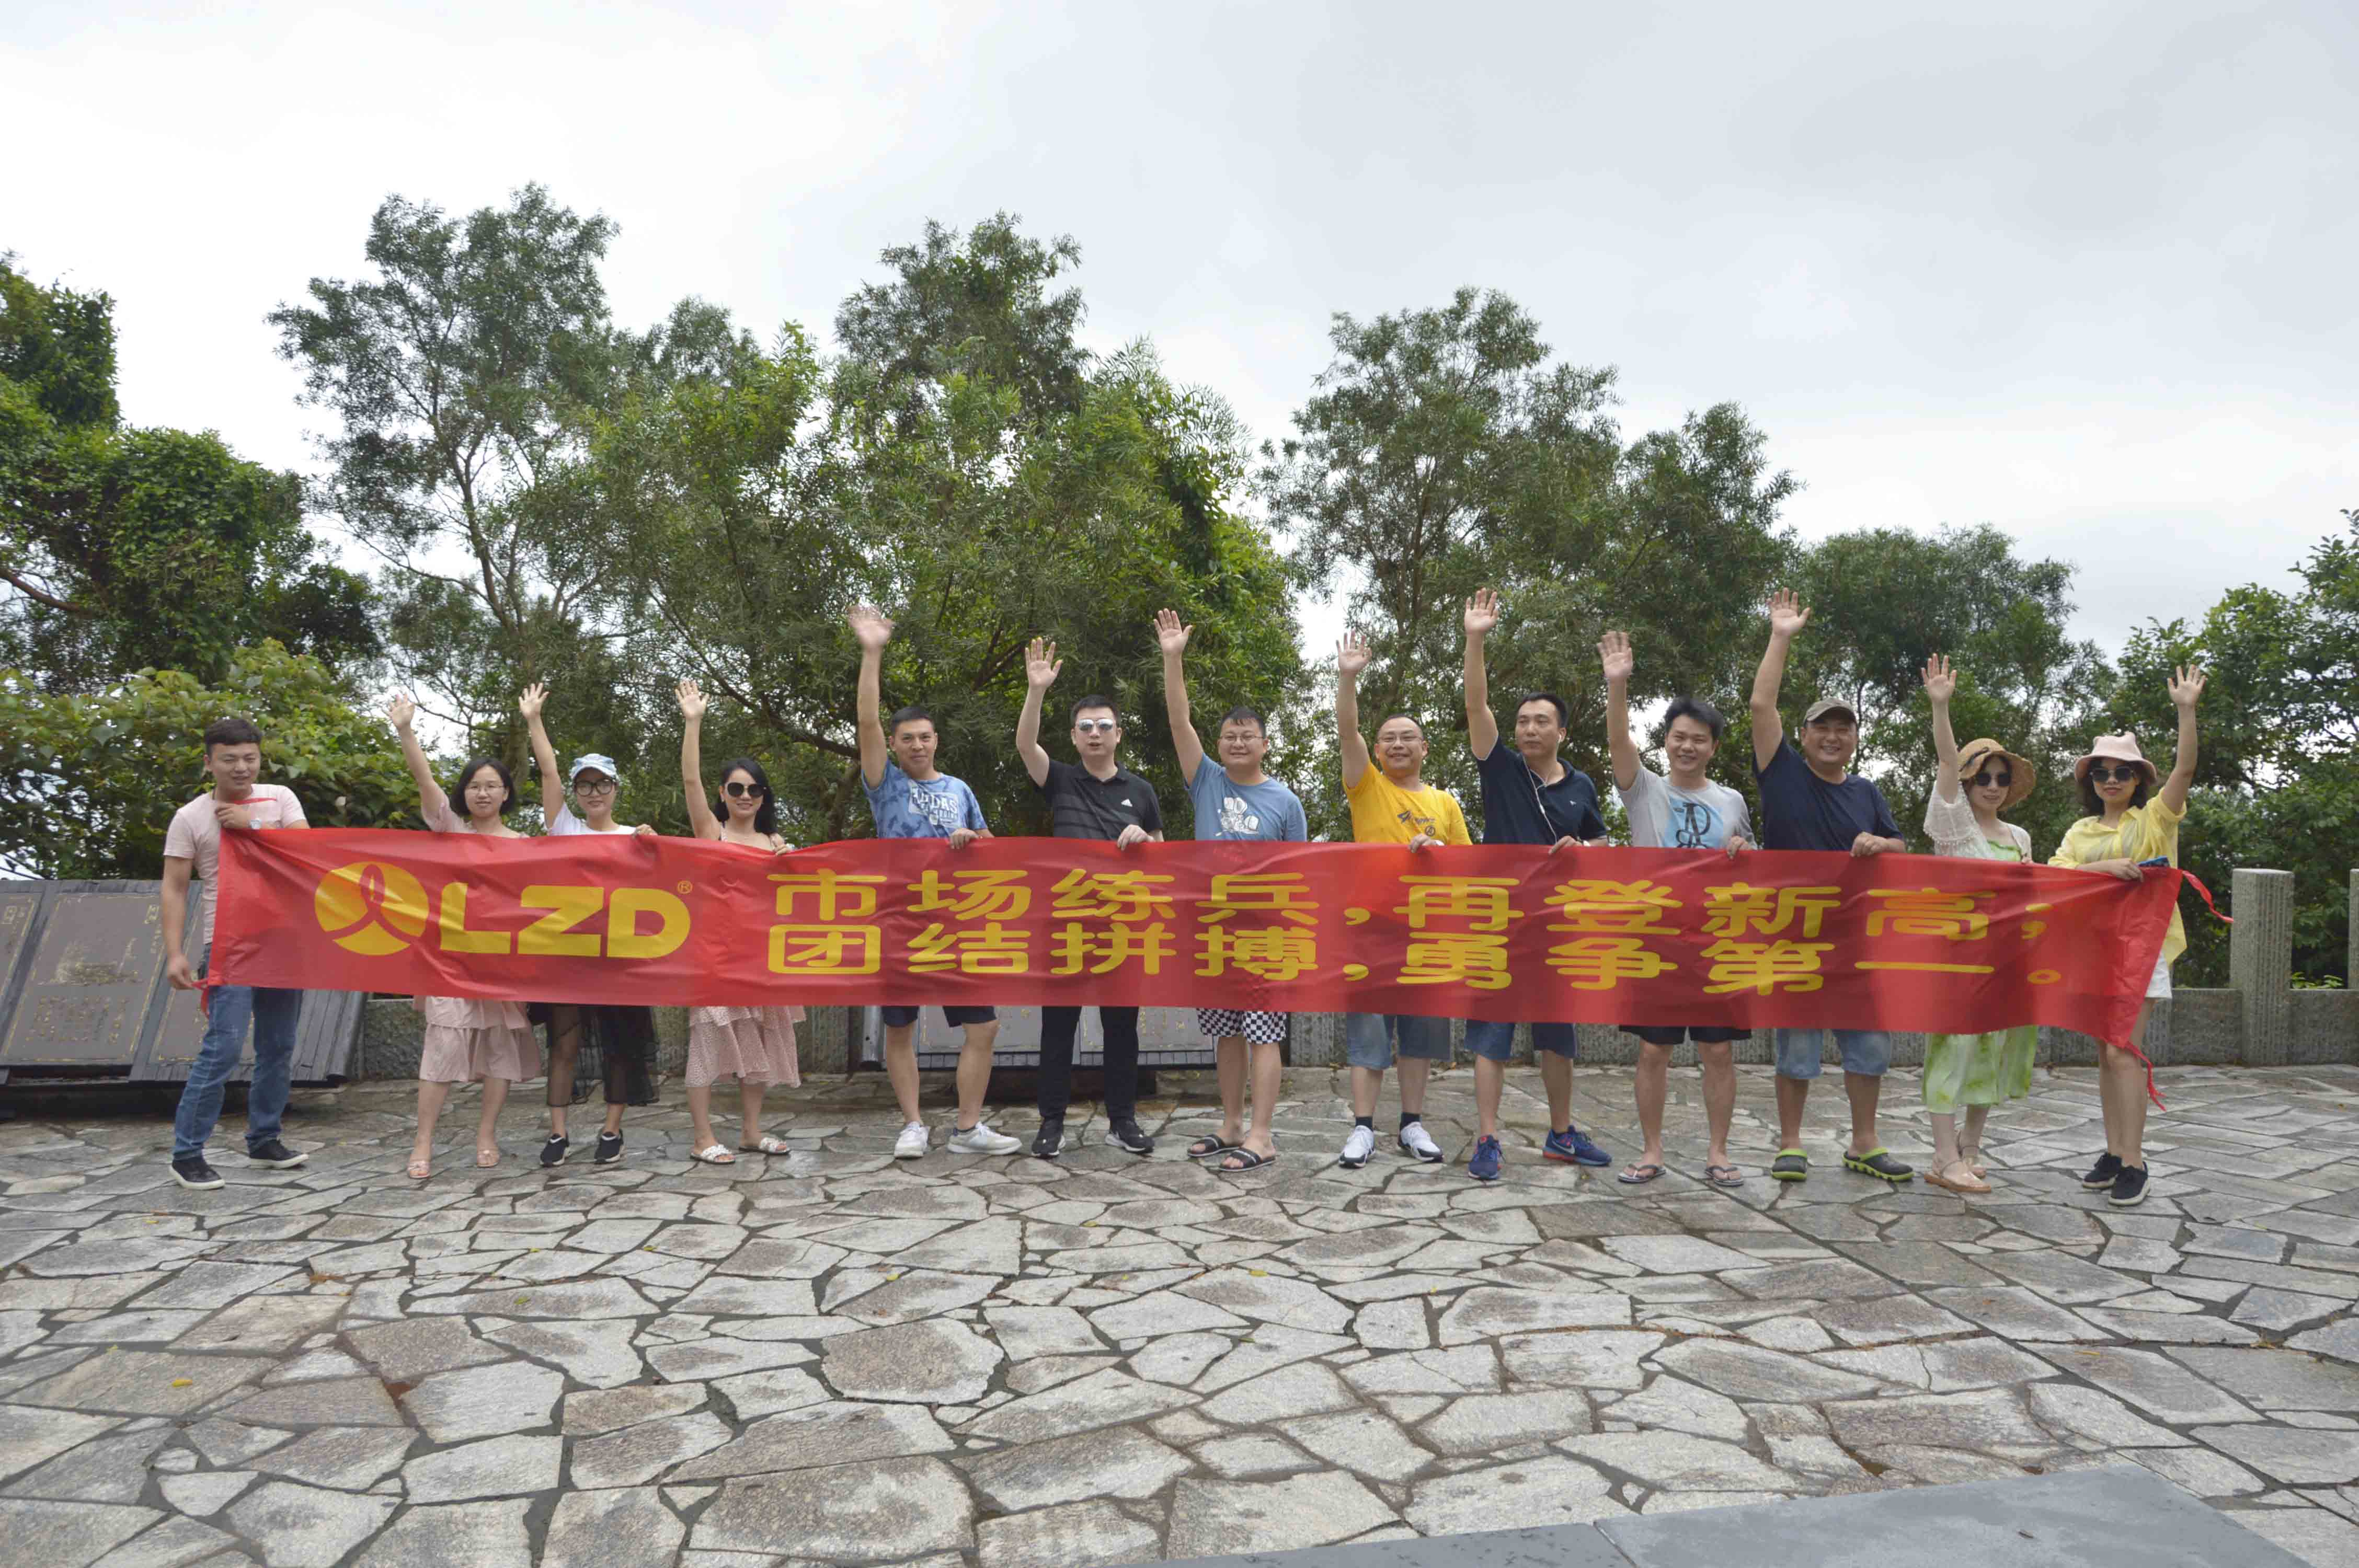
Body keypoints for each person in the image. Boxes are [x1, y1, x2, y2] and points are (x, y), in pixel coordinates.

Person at [1748, 590, 1912, 1184]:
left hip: (1859, 944)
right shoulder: (1782, 773)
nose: (1834, 736)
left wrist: (1880, 845)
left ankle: (1864, 1143)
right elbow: (1761, 703)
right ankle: (1790, 1143)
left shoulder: (1867, 792)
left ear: (1855, 738)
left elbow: (1901, 848)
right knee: (1796, 1049)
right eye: (1823, 727)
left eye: (1844, 728)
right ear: (1804, 733)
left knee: (1870, 1048)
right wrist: (1781, 636)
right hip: (1794, 938)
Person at [848, 603, 1021, 1159]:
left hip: (958, 925)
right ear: (895, 745)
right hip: (901, 922)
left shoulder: (960, 790)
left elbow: (992, 848)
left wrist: (974, 842)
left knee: (984, 1027)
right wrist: (872, 652)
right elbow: (867, 722)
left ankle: (968, 1129)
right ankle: (913, 1125)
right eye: (908, 739)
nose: (917, 746)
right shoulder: (885, 784)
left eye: (925, 737)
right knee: (900, 1029)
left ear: (936, 740)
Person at [1459, 589, 1612, 1183]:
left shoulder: (1582, 787)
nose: (1528, 728)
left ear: (1562, 732)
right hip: (1497, 924)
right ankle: (1488, 1138)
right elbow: (1477, 705)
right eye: (1522, 721)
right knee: (1490, 1037)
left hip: (1558, 931)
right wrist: (1475, 639)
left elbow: (1603, 847)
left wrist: (1584, 853)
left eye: (1540, 721)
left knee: (1558, 1038)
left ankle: (1561, 1133)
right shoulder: (1500, 768)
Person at [1155, 607, 1308, 1174]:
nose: (1238, 742)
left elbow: (1301, 876)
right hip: (1213, 934)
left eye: (1248, 736)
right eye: (1230, 735)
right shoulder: (1207, 782)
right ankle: (1231, 1125)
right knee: (1225, 1034)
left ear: (1265, 745)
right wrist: (1173, 659)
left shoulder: (1286, 802)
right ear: (1218, 744)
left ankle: (1262, 1136)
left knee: (1264, 1034)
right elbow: (1179, 722)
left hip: (1265, 936)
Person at [1598, 630, 1752, 1189]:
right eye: (1679, 737)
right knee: (1652, 1050)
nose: (1688, 747)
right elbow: (1619, 741)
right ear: (1665, 742)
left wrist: (1744, 851)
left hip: (1716, 941)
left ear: (1714, 747)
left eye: (1699, 740)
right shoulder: (1645, 789)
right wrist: (1617, 685)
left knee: (1718, 1051)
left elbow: (1752, 862)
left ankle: (1719, 1153)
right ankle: (1651, 1151)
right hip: (1655, 939)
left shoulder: (1732, 801)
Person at [2051, 664, 2206, 1209]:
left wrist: (2186, 710)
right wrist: (2106, 869)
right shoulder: (2081, 832)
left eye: (2122, 771)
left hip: (2142, 949)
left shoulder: (2155, 820)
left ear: (2139, 778)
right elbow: (2056, 875)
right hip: (2093, 951)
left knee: (2124, 1051)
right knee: (2106, 1053)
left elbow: (2185, 769)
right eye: (2101, 772)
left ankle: (2136, 1162)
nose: (2111, 780)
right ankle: (2116, 1153)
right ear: (2090, 782)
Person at [1014, 638, 1163, 1159]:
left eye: (1104, 726)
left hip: (1122, 928)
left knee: (1122, 1029)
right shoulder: (1060, 780)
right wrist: (1036, 691)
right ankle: (1051, 1123)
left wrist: (1146, 842)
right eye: (1085, 727)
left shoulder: (1141, 791)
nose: (1095, 733)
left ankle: (1123, 1121)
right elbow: (1025, 746)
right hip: (1066, 926)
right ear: (1074, 737)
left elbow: (1163, 855)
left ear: (1118, 734)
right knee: (1058, 1028)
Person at [389, 694, 542, 1180]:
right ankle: (423, 1141)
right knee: (442, 1049)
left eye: (492, 786)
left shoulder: (525, 846)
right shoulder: (449, 829)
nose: (483, 793)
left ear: (506, 794)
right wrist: (406, 731)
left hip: (501, 965)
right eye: (475, 786)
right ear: (465, 793)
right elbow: (425, 781)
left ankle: (486, 1135)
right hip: (449, 962)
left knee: (499, 1051)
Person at [159, 717, 312, 1190]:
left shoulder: (280, 799)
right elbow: (174, 887)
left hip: (284, 942)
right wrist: (174, 953)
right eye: (229, 760)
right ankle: (187, 1153)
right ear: (209, 763)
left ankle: (264, 1139)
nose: (242, 768)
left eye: (250, 758)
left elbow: (307, 852)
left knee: (278, 1047)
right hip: (228, 943)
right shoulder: (190, 817)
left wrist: (255, 825)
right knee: (222, 1048)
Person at [1334, 629, 1463, 1169]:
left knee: (1420, 1036)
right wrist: (1348, 678)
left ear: (1425, 747)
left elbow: (1470, 870)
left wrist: (1438, 856)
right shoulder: (1366, 785)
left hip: (1429, 934)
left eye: (1408, 737)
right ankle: (1363, 1128)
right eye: (1388, 738)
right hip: (1371, 929)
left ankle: (1412, 1124)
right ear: (1377, 750)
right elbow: (1347, 730)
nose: (1397, 744)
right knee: (1368, 1033)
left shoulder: (1445, 803)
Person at [521, 683, 661, 1169]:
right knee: (564, 1045)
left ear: (616, 789)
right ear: (576, 793)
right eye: (585, 785)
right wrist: (534, 720)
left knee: (621, 1046)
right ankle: (558, 1133)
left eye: (603, 784)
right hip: (568, 958)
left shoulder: (635, 835)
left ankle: (612, 1130)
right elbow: (548, 771)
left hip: (620, 959)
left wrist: (654, 846)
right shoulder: (565, 828)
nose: (594, 792)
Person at [1917, 656, 2040, 1196]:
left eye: (2001, 778)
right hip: (1957, 959)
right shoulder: (1953, 827)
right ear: (1967, 783)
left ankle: (1971, 1147)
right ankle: (1943, 1157)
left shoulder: (2019, 837)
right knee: (1952, 1053)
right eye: (1982, 777)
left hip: (2007, 961)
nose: (1992, 786)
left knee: (1993, 1052)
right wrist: (1941, 707)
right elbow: (1946, 760)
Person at [678, 678, 804, 1166]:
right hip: (714, 959)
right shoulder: (712, 833)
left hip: (762, 961)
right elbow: (691, 782)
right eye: (736, 788)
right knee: (706, 1045)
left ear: (763, 796)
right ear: (723, 794)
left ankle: (751, 1133)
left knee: (760, 1048)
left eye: (753, 789)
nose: (745, 795)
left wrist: (793, 863)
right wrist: (693, 723)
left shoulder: (777, 843)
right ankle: (702, 1136)